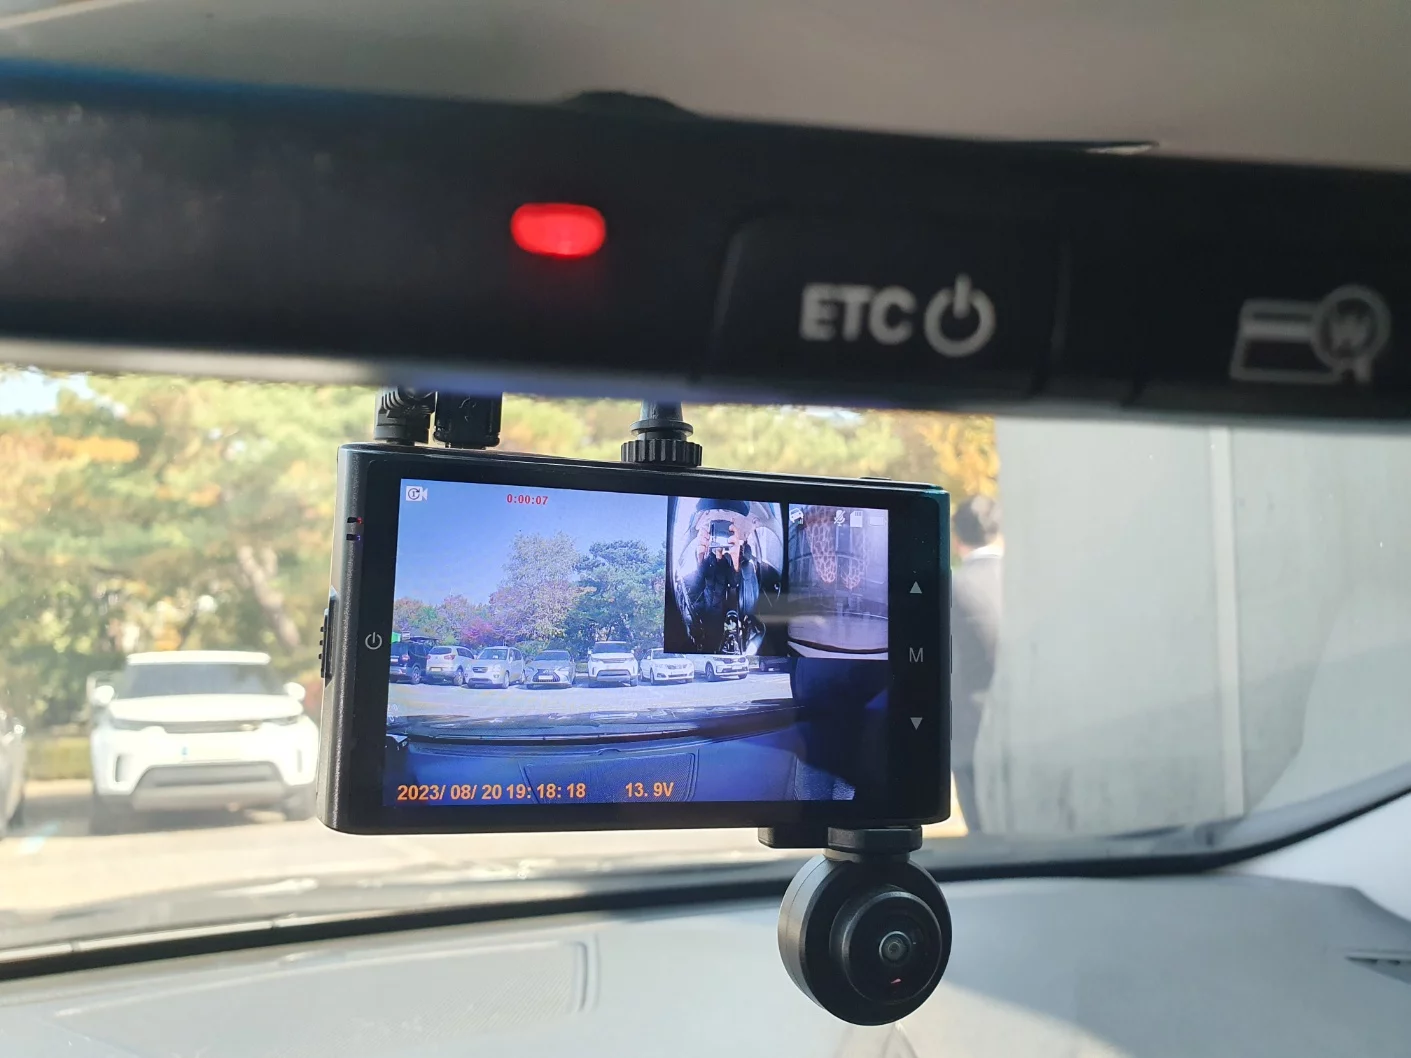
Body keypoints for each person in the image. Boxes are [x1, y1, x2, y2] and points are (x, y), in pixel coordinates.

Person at [950, 495, 1003, 834]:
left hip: (970, 732)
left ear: (956, 539)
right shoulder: (1027, 582)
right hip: (1035, 728)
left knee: (982, 838)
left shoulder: (952, 588)